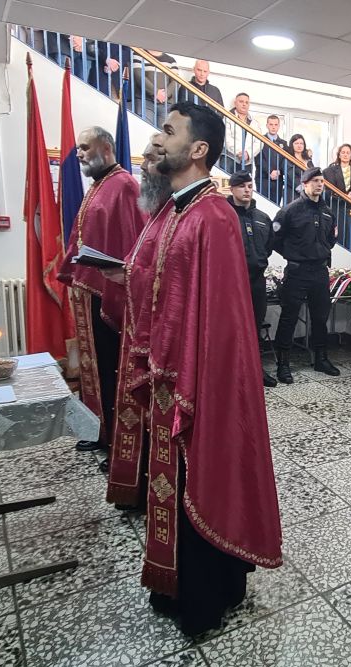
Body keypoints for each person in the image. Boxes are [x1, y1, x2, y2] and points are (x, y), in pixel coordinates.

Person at [103, 103, 281, 637]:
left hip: (197, 378)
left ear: (199, 149)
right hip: (167, 373)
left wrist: (193, 379)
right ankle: (173, 584)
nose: (157, 139)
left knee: (198, 477)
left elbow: (219, 317)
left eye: (169, 131)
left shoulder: (214, 216)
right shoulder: (171, 211)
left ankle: (205, 595)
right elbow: (158, 281)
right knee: (170, 483)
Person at [58, 127, 146, 456]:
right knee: (92, 367)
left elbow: (133, 240)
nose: (79, 153)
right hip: (89, 291)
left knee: (110, 368)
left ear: (106, 147)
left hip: (108, 292)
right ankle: (97, 429)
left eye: (85, 147)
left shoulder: (124, 185)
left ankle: (117, 442)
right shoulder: (98, 185)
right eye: (78, 148)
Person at [272, 166, 341, 382]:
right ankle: (283, 364)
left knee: (320, 318)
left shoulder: (327, 211)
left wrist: (321, 250)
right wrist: (294, 254)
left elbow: (331, 238)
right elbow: (275, 240)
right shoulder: (290, 211)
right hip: (297, 271)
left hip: (319, 271)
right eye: (315, 181)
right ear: (304, 184)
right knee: (289, 318)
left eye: (322, 181)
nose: (320, 184)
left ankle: (321, 358)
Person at [228, 172, 277, 388]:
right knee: (231, 328)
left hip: (256, 280)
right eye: (241, 186)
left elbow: (268, 246)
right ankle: (231, 371)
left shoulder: (262, 218)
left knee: (255, 325)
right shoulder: (224, 215)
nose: (247, 190)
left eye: (249, 186)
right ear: (232, 189)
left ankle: (256, 369)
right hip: (232, 283)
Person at [254, 114, 288, 203]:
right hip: (263, 178)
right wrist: (270, 171)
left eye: (276, 125)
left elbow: (286, 160)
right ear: (267, 125)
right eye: (271, 124)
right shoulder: (260, 139)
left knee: (275, 206)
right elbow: (258, 159)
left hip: (278, 180)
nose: (273, 127)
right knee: (263, 205)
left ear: (279, 126)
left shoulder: (284, 143)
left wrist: (279, 171)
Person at [224, 93, 256, 170]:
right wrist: (240, 153)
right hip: (230, 159)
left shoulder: (255, 123)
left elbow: (259, 142)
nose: (244, 104)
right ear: (235, 103)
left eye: (246, 102)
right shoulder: (227, 118)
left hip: (247, 162)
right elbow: (226, 139)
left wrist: (248, 154)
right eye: (241, 101)